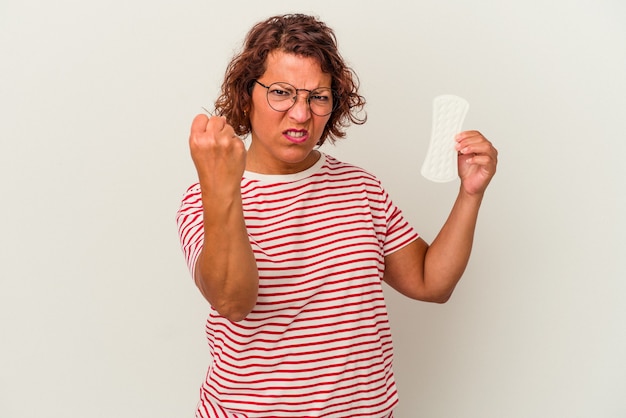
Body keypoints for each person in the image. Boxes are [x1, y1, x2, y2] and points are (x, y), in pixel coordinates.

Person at [176, 13, 498, 418]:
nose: (300, 114)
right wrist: (222, 185)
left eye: (318, 97)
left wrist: (470, 193)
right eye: (281, 92)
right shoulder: (204, 197)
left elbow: (430, 283)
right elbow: (232, 301)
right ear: (246, 95)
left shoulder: (361, 188)